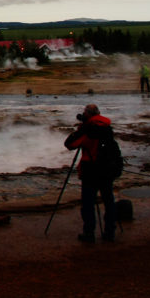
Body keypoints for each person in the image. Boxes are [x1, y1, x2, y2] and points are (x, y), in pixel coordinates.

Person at [64, 104, 117, 242]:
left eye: (84, 113)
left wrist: (80, 130)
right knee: (109, 201)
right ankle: (110, 233)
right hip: (107, 169)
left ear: (87, 114)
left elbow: (70, 144)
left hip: (90, 170)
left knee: (88, 203)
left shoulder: (88, 129)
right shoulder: (107, 126)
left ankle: (89, 234)